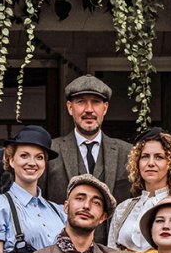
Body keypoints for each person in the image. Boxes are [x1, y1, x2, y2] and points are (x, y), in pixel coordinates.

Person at [0, 125, 66, 253]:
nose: (32, 163)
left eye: (39, 157)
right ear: (11, 160)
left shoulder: (59, 212)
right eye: (24, 156)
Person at [43, 74, 134, 207]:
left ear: (105, 108)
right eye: (81, 102)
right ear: (70, 107)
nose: (89, 110)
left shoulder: (128, 152)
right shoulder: (50, 150)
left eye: (96, 102)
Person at [108, 129, 171, 253]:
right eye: (145, 157)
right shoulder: (123, 208)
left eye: (159, 157)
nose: (151, 163)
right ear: (137, 163)